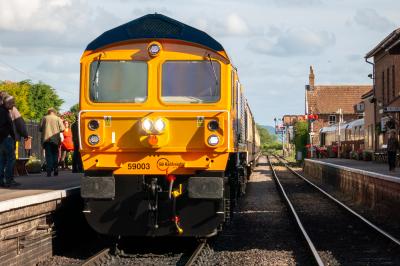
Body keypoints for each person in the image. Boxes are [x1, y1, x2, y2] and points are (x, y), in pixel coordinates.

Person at [0, 95, 28, 187]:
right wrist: (24, 134)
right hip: (6, 138)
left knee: (2, 160)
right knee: (11, 159)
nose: (13, 105)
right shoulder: (5, 112)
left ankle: (1, 180)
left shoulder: (3, 110)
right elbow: (18, 124)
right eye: (12, 103)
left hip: (1, 139)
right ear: (7, 103)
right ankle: (9, 180)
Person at [40, 108, 65, 177]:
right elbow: (63, 129)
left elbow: (40, 128)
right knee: (55, 154)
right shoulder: (58, 119)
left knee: (48, 155)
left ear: (48, 112)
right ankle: (56, 169)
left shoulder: (44, 118)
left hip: (46, 140)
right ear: (54, 112)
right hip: (55, 140)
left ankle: (49, 171)